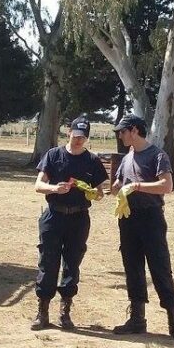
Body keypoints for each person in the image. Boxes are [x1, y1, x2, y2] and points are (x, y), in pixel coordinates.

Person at [109, 114, 174, 342]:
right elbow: (117, 186)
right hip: (128, 220)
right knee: (132, 266)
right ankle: (137, 319)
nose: (120, 135)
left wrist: (137, 186)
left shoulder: (157, 155)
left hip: (151, 219)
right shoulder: (127, 158)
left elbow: (167, 185)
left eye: (123, 131)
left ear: (134, 130)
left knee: (160, 267)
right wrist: (107, 189)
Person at [30, 115, 108, 330]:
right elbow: (38, 185)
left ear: (87, 138)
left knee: (72, 263)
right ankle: (42, 311)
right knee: (48, 261)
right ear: (68, 132)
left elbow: (101, 192)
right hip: (54, 216)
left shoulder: (92, 161)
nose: (78, 140)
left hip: (79, 218)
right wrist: (55, 188)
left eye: (82, 137)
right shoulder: (54, 155)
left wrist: (94, 193)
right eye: (75, 135)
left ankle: (65, 311)